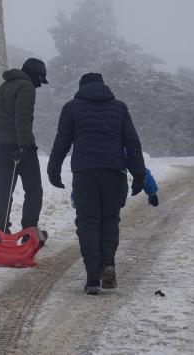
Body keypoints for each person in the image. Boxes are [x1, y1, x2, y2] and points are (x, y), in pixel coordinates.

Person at [47, 72, 148, 295]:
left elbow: (61, 141)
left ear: (81, 87)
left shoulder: (72, 108)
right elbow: (133, 142)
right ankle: (108, 264)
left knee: (88, 221)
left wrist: (53, 169)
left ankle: (93, 276)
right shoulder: (119, 108)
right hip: (114, 171)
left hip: (85, 173)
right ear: (104, 86)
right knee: (109, 219)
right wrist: (139, 174)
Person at [0, 58, 47, 234]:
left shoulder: (4, 86)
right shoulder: (26, 87)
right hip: (19, 146)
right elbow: (22, 116)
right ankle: (29, 231)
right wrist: (23, 145)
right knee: (34, 190)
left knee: (4, 191)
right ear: (35, 74)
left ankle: (1, 231)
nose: (40, 85)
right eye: (40, 79)